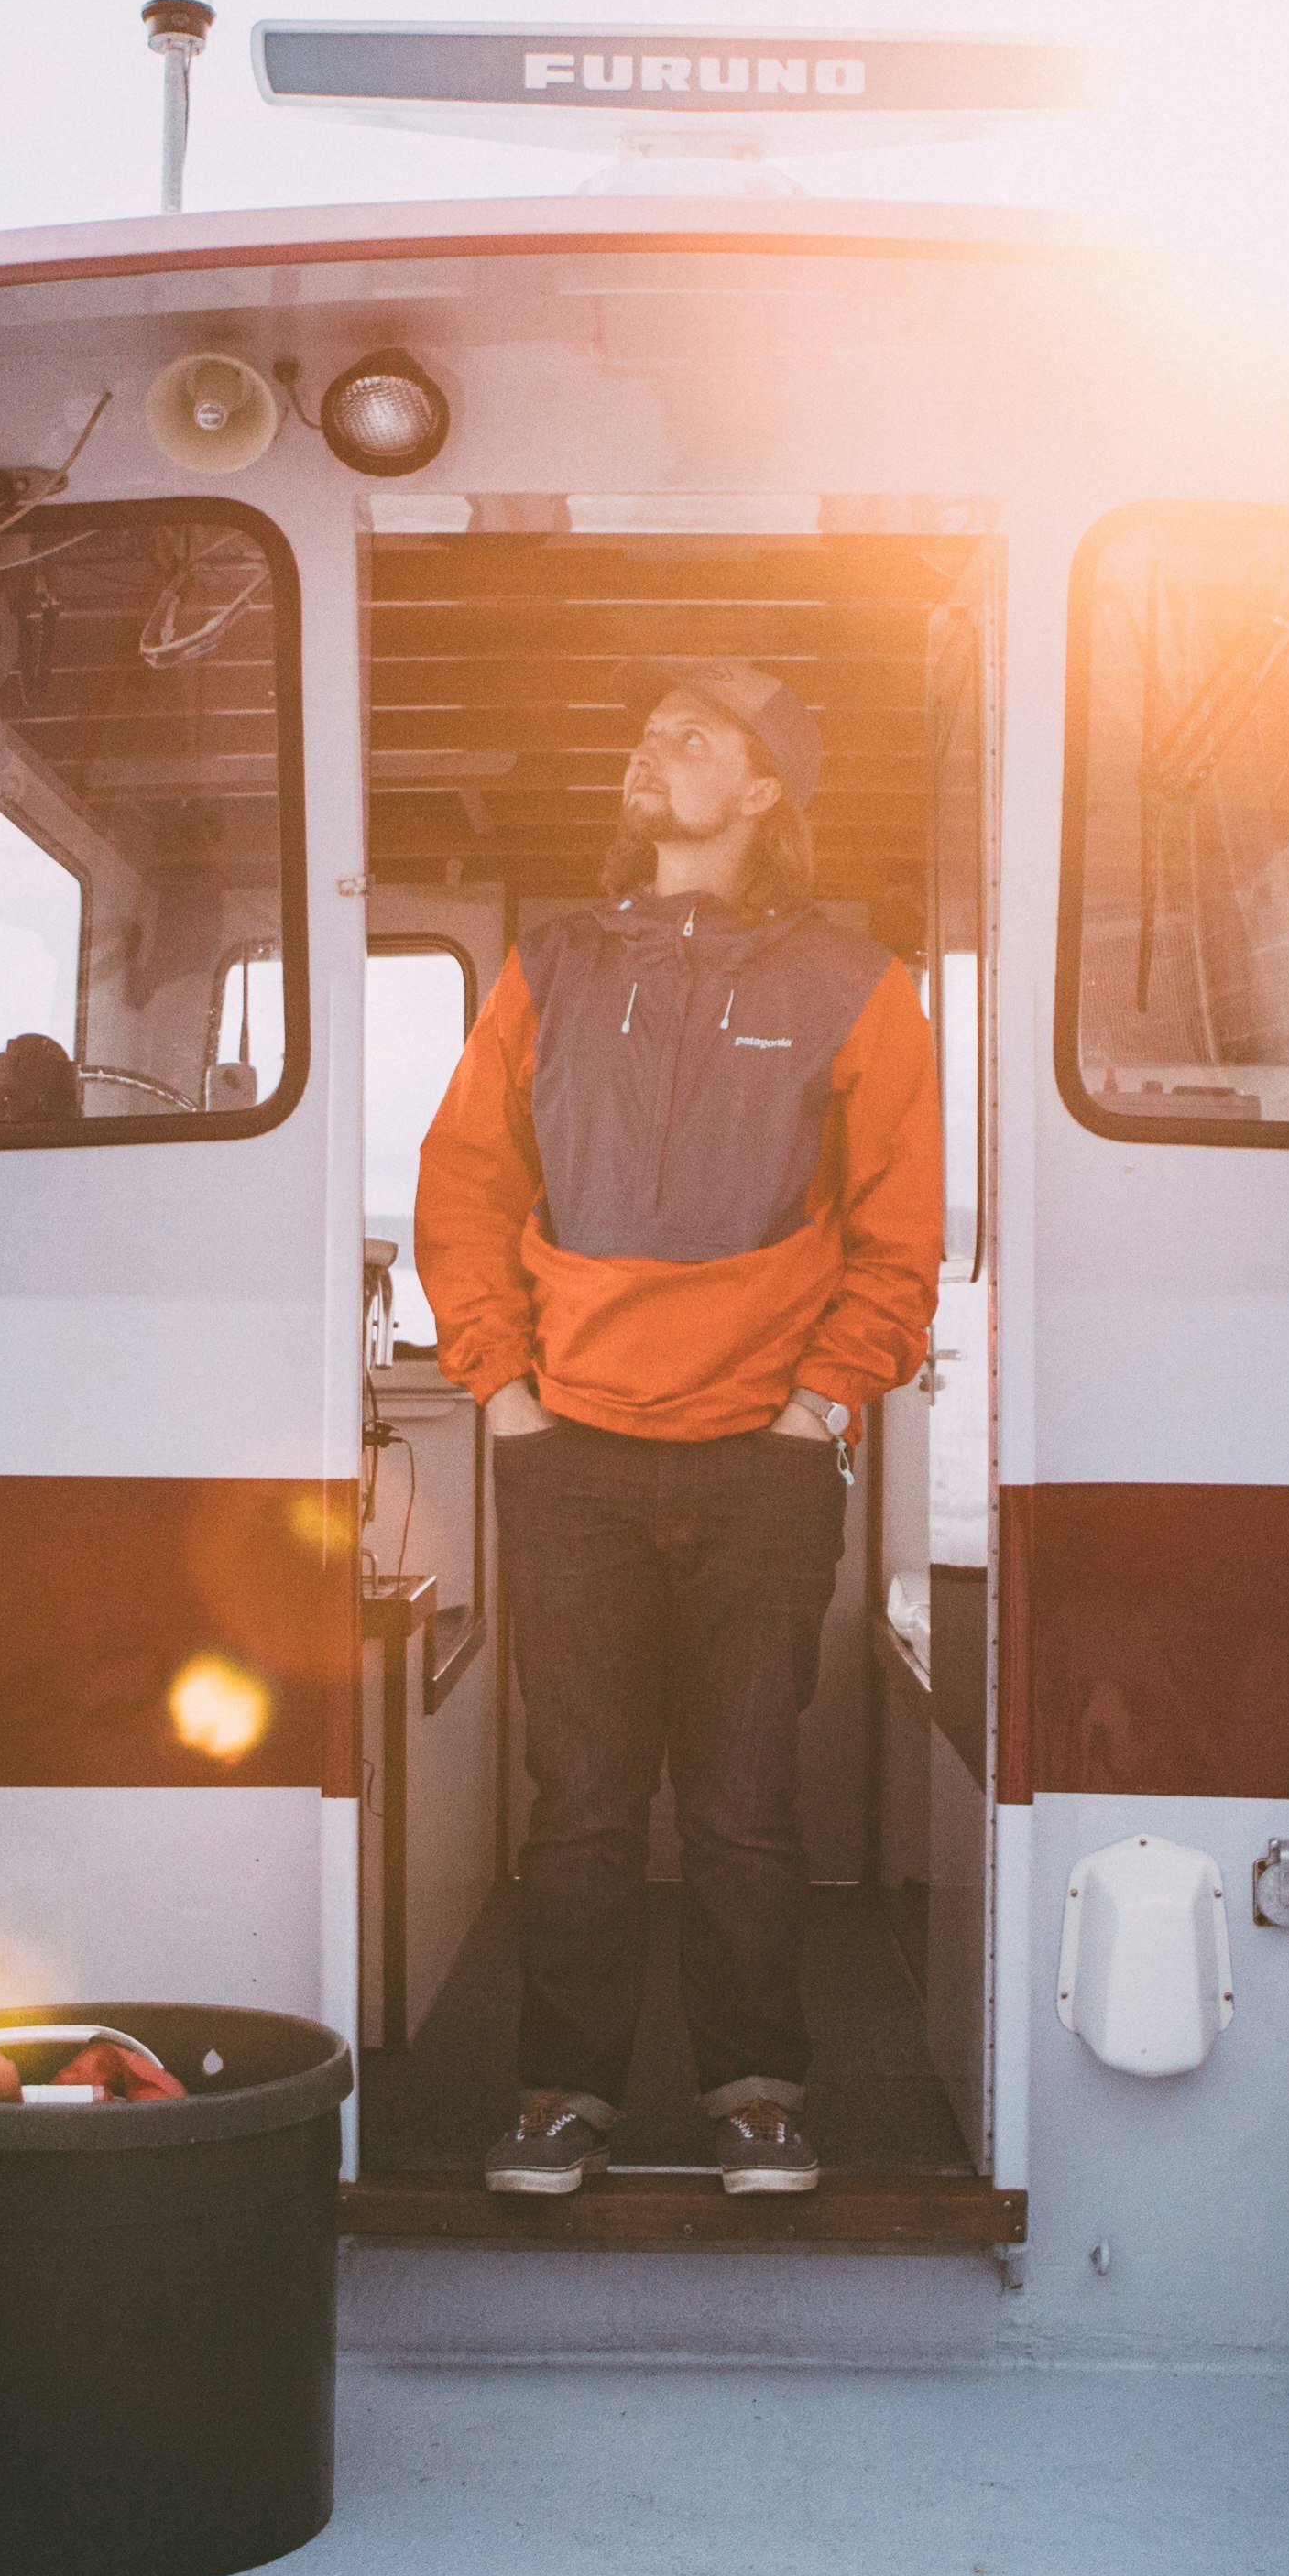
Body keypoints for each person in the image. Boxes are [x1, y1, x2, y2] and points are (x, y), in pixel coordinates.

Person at [413, 661, 944, 2196]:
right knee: (577, 1803)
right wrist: (502, 1391)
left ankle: (756, 2090)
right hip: (566, 1449)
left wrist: (816, 1406)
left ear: (766, 793)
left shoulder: (859, 983)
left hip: (764, 1458)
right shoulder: (553, 966)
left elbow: (899, 1232)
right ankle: (562, 2095)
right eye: (648, 730)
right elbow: (466, 1186)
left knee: (740, 1801)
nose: (658, 748)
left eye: (698, 737)